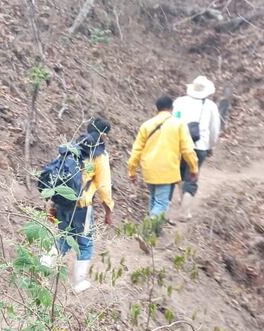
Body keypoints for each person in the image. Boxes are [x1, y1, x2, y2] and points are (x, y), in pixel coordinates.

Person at [41, 117, 114, 294]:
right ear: (103, 135)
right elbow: (104, 186)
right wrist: (108, 210)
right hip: (82, 206)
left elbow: (56, 174)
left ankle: (45, 264)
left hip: (62, 202)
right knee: (85, 242)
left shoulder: (70, 147)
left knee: (65, 236)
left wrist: (53, 202)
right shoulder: (99, 155)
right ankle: (79, 283)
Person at [127, 96, 199, 232]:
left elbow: (136, 150)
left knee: (154, 199)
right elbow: (188, 150)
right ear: (172, 108)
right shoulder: (179, 125)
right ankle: (148, 230)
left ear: (157, 109)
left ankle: (156, 231)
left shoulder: (146, 125)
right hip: (167, 169)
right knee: (161, 203)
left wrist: (132, 170)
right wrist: (194, 168)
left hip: (148, 169)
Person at [173, 75, 222, 220]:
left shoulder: (179, 102)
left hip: (179, 144)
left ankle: (183, 202)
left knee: (181, 175)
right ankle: (184, 212)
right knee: (192, 178)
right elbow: (214, 130)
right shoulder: (211, 106)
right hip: (199, 146)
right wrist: (210, 146)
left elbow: (173, 121)